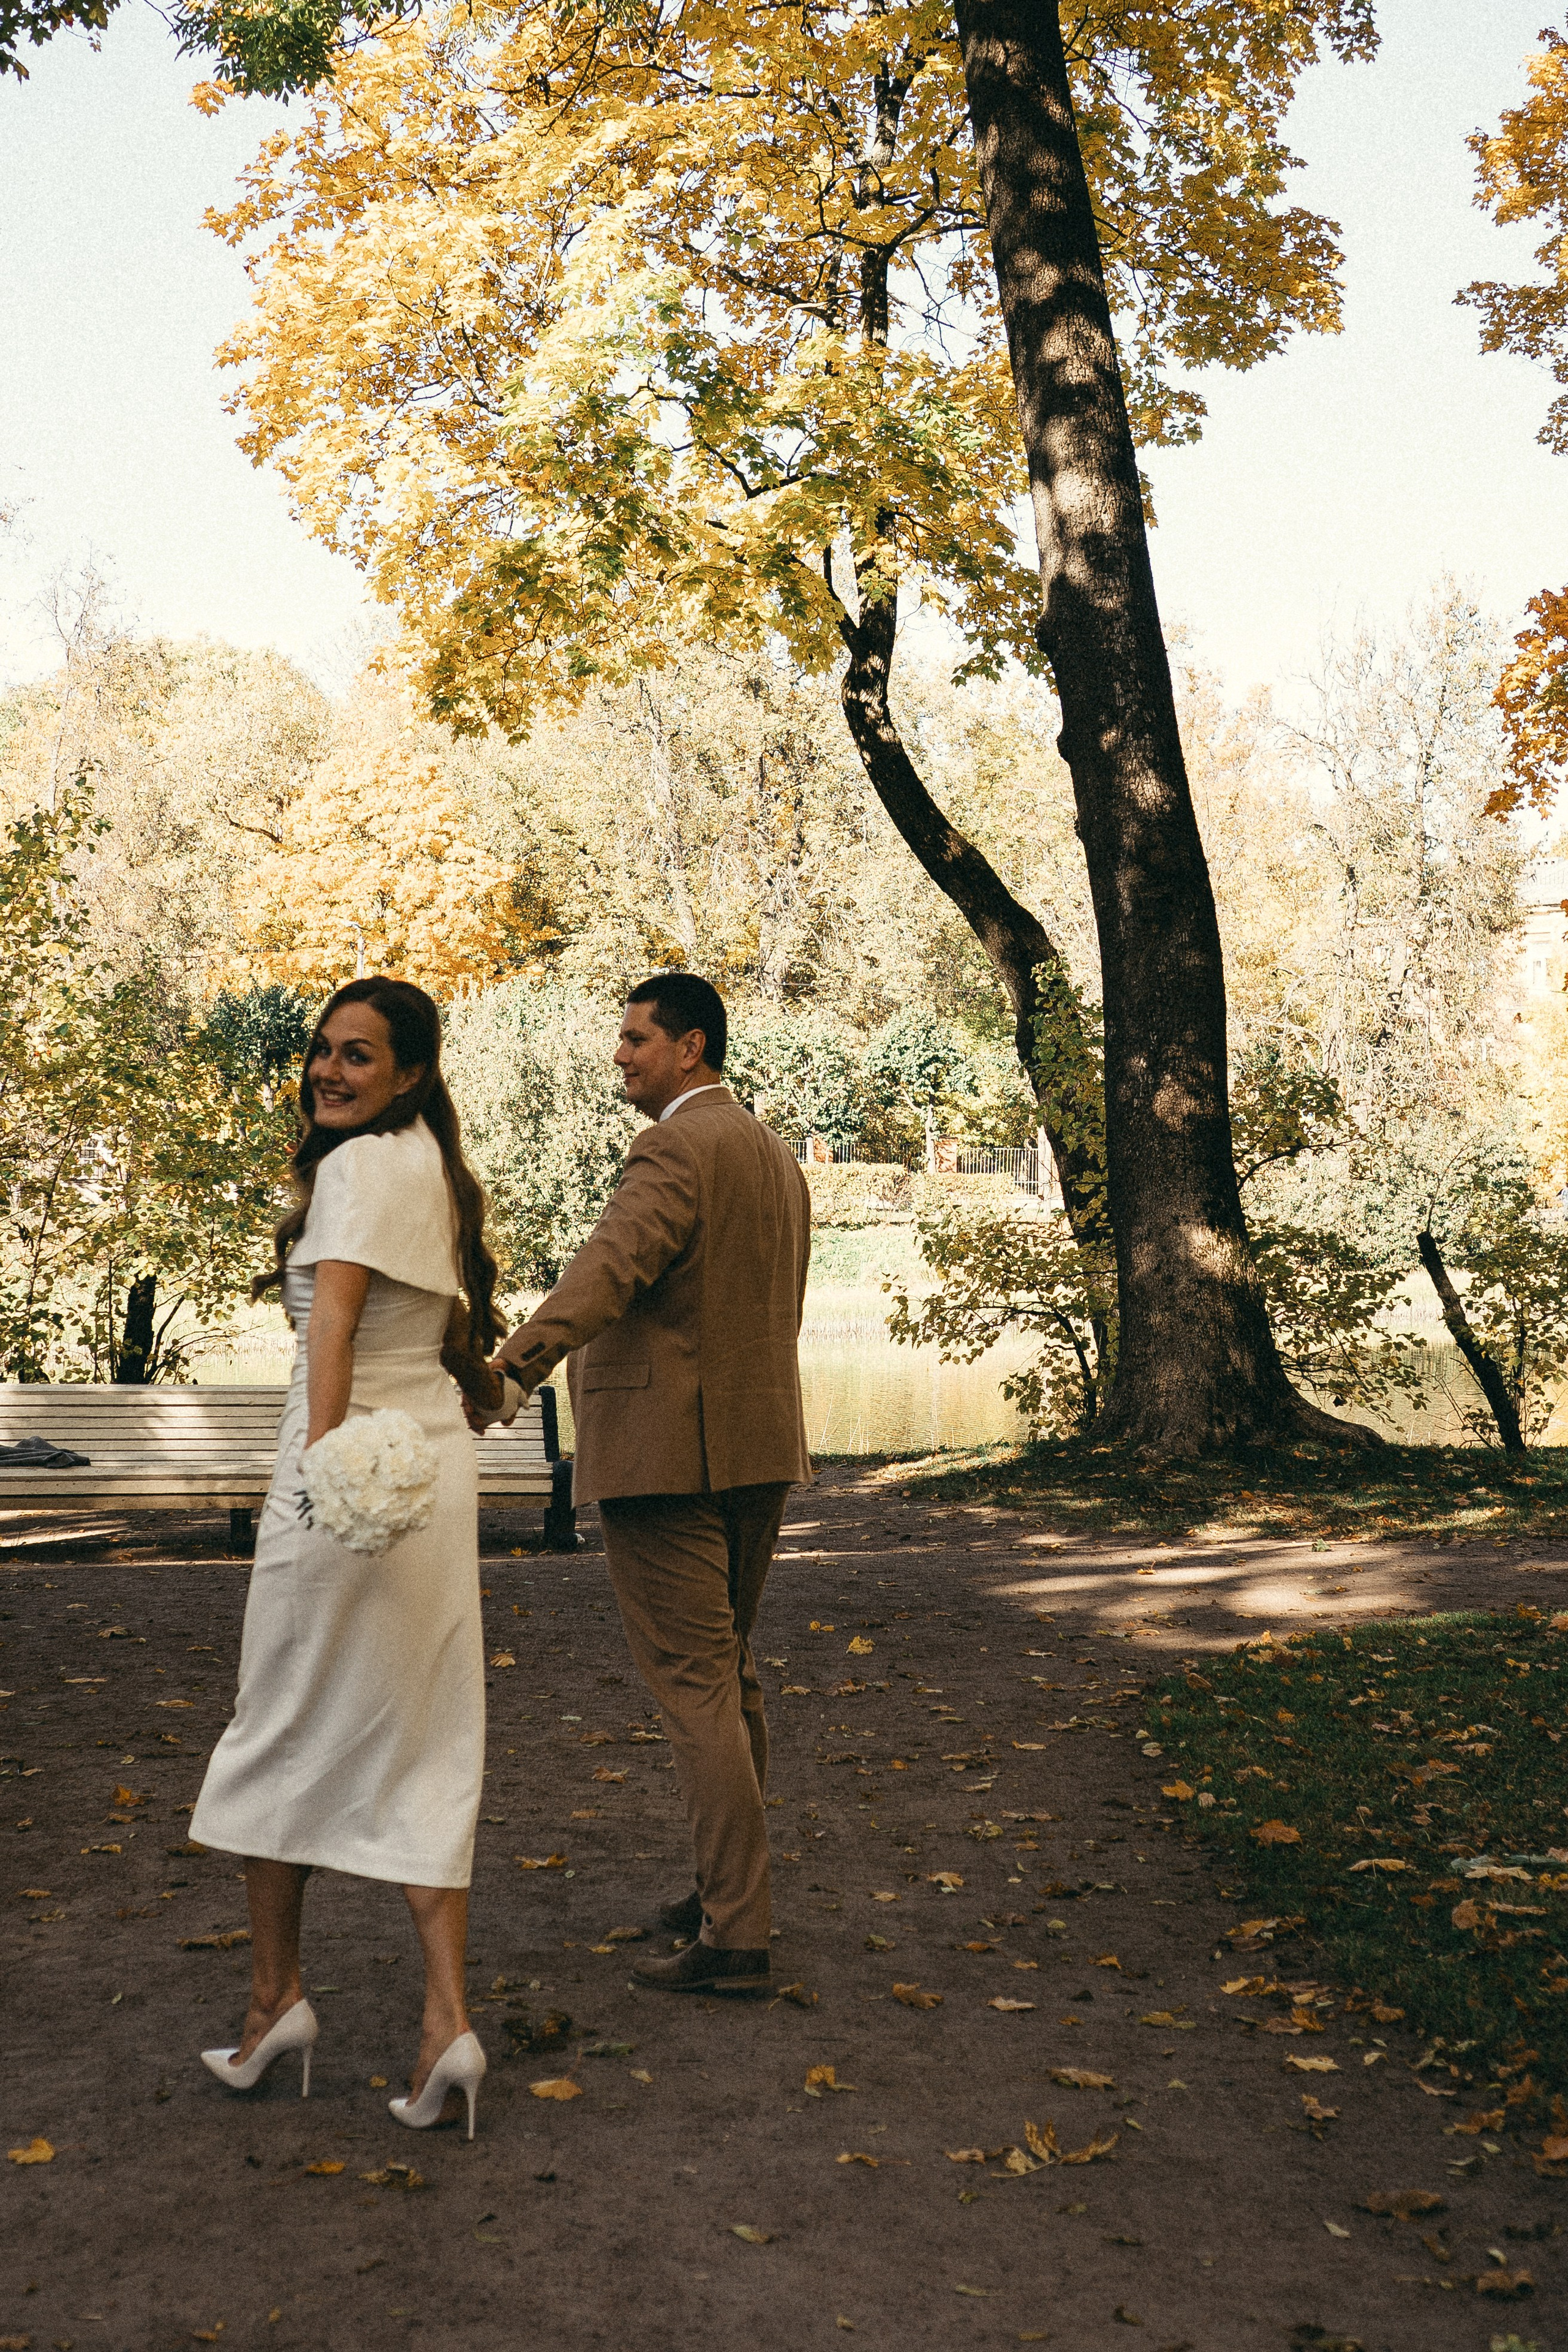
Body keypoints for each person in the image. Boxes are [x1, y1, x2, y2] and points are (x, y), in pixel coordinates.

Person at [191, 976, 503, 2137]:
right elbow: (446, 1339)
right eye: (324, 1051)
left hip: (347, 1488)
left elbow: (332, 1320)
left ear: (410, 1072)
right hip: (427, 1480)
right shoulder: (428, 1162)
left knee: (278, 1729)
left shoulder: (361, 1167)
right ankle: (445, 2025)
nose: (328, 1070)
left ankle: (275, 2000)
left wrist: (320, 1471)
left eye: (357, 1056)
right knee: (429, 1741)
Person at [487, 972, 812, 1996]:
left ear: (692, 1048)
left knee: (699, 1686)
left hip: (669, 1456)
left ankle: (737, 1938)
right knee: (734, 1680)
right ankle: (727, 1892)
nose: (620, 1056)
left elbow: (610, 1266)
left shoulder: (675, 1143)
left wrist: (512, 1368)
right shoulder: (772, 1154)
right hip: (758, 1449)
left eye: (636, 1039)